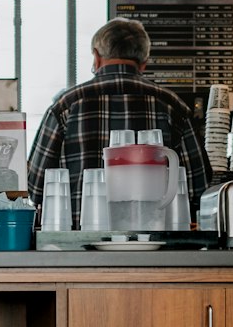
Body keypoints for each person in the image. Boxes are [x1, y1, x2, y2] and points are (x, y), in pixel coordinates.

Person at [26, 18, 212, 227]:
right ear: (144, 62)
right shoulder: (173, 106)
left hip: (79, 246)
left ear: (96, 57)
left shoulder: (66, 105)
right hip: (154, 244)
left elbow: (35, 187)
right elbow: (200, 187)